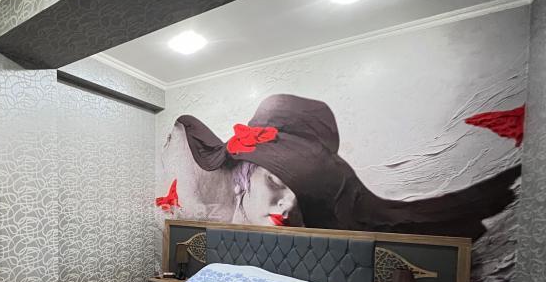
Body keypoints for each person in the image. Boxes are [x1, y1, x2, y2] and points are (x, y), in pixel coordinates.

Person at [172, 94, 520, 240]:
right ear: (241, 179)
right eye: (275, 180)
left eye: (302, 192)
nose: (288, 204)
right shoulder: (205, 224)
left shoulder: (319, 243)